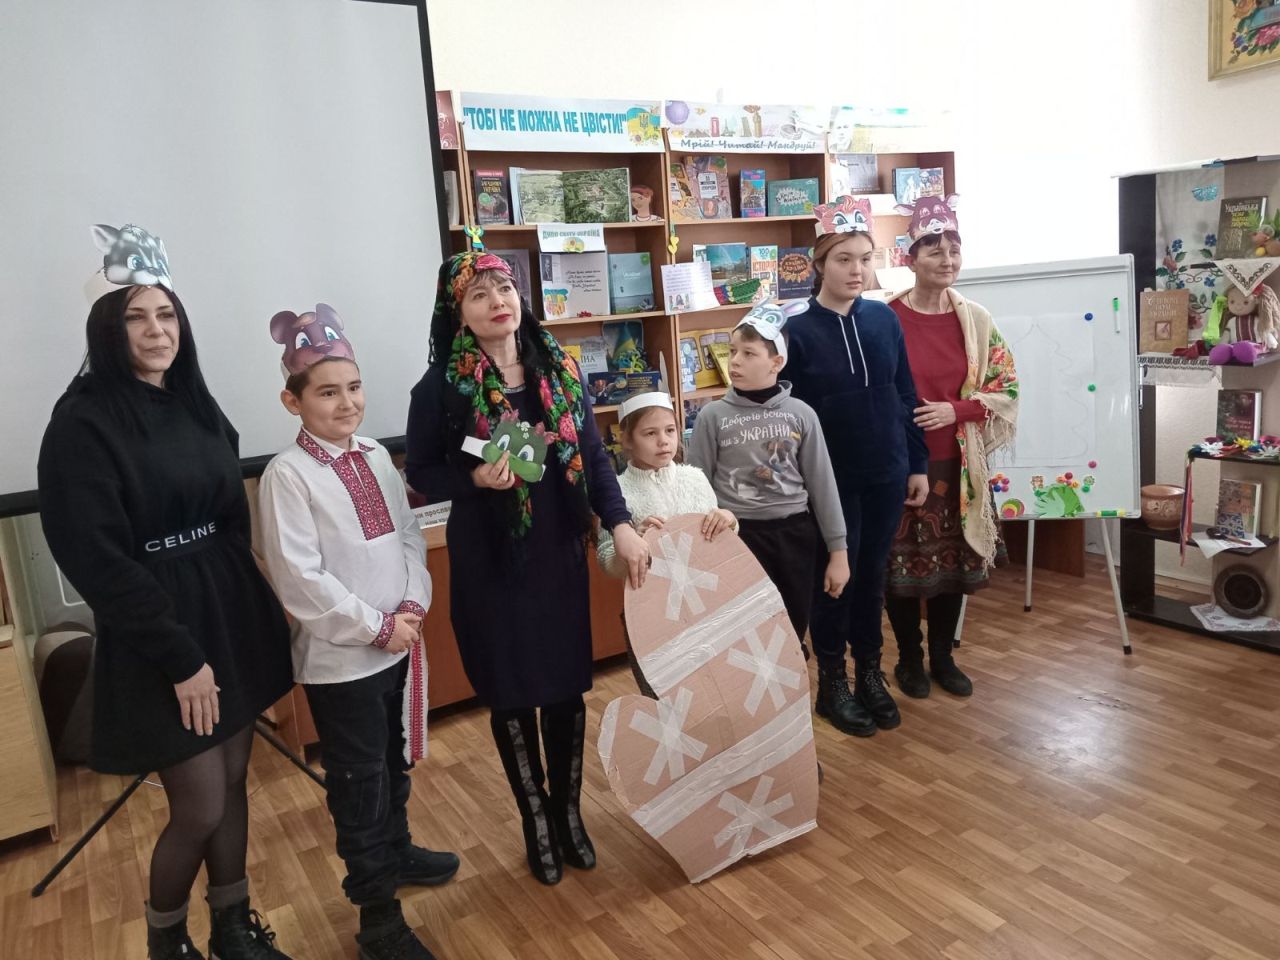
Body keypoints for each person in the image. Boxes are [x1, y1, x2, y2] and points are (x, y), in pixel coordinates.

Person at [37, 225, 294, 960]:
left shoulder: (194, 402)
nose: (157, 331)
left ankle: (235, 931)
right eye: (137, 317)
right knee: (201, 801)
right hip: (160, 633)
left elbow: (230, 514)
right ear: (107, 329)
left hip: (228, 610)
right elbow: (95, 557)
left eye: (167, 314)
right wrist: (180, 658)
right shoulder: (82, 423)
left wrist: (252, 601)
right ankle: (167, 942)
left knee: (235, 780)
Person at [405, 251, 649, 886]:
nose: (497, 301)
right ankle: (535, 820)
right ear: (457, 312)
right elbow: (422, 470)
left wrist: (620, 523)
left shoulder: (560, 368)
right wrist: (474, 479)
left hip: (557, 552)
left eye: (504, 287)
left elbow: (593, 457)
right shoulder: (440, 388)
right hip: (491, 560)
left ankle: (568, 815)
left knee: (566, 688)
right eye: (479, 293)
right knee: (511, 693)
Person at [257, 305, 458, 960]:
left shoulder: (374, 455)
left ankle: (397, 854)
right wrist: (376, 627)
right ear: (293, 401)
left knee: (392, 763)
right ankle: (377, 918)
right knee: (360, 783)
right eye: (327, 392)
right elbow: (300, 578)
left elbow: (407, 536)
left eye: (354, 387)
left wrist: (413, 604)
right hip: (343, 663)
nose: (346, 403)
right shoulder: (288, 475)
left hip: (396, 644)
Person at [782, 198, 929, 738]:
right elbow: (786, 414)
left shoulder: (883, 318)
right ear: (820, 263)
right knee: (833, 581)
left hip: (886, 470)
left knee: (871, 577)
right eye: (844, 259)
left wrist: (916, 462)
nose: (856, 270)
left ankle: (869, 671)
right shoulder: (795, 329)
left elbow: (905, 392)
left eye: (865, 259)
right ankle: (832, 682)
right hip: (828, 480)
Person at [884, 197, 1019, 699]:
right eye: (934, 250)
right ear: (911, 258)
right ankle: (909, 659)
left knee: (953, 568)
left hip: (959, 464)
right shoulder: (885, 318)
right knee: (900, 569)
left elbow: (1007, 387)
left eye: (954, 250)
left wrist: (955, 410)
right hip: (900, 463)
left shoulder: (976, 320)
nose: (947, 260)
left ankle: (942, 657)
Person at [687, 304, 850, 659]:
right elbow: (696, 489)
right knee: (743, 636)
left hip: (794, 536)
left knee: (791, 629)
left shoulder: (801, 414)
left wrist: (839, 553)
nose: (735, 362)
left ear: (776, 362)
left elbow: (823, 486)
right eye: (732, 351)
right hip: (736, 537)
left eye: (748, 353)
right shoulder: (712, 416)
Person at [597, 392, 734, 696]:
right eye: (650, 433)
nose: (663, 441)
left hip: (706, 606)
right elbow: (608, 561)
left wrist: (728, 520)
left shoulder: (695, 479)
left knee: (715, 690)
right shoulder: (616, 493)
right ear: (626, 439)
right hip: (650, 614)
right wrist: (633, 542)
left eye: (670, 430)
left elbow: (722, 544)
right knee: (663, 695)